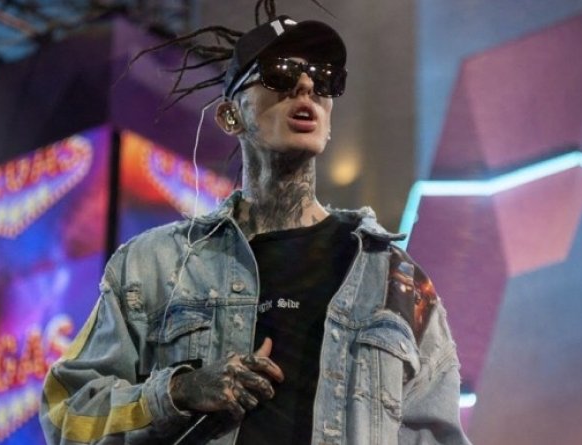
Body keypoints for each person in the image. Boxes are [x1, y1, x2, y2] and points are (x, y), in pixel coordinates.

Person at [39, 12, 471, 445]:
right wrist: (179, 391)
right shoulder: (153, 265)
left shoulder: (397, 282)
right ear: (231, 116)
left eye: (323, 79)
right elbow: (65, 413)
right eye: (279, 74)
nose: (306, 86)